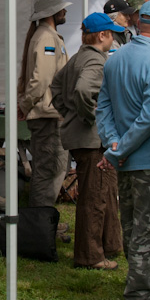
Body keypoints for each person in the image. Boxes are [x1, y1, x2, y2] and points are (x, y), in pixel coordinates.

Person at [96, 0, 150, 300]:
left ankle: (141, 280)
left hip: (126, 160)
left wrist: (114, 145)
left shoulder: (116, 58)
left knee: (132, 224)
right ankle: (140, 294)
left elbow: (103, 106)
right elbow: (149, 119)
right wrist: (119, 150)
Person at [51, 13, 125, 270]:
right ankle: (89, 256)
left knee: (105, 191)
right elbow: (84, 90)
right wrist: (90, 117)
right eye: (111, 33)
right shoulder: (96, 61)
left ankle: (111, 243)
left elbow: (55, 87)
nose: (114, 38)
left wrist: (69, 111)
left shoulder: (79, 57)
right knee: (94, 198)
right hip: (93, 140)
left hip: (86, 138)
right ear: (102, 35)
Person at [18, 0, 72, 217]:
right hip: (48, 115)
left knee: (48, 168)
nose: (65, 11)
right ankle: (39, 224)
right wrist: (25, 104)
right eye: (62, 8)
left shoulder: (43, 36)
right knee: (48, 170)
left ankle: (42, 222)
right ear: (53, 12)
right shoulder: (47, 38)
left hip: (48, 113)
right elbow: (42, 79)